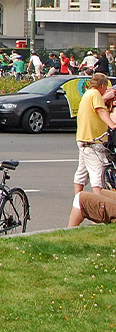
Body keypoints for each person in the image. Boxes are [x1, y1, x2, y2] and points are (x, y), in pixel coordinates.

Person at [67, 73, 116, 226]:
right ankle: (98, 212)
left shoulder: (88, 94)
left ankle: (77, 200)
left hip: (83, 139)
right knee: (98, 174)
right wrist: (113, 125)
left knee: (82, 172)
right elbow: (101, 111)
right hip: (93, 141)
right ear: (102, 85)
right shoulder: (95, 95)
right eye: (106, 87)